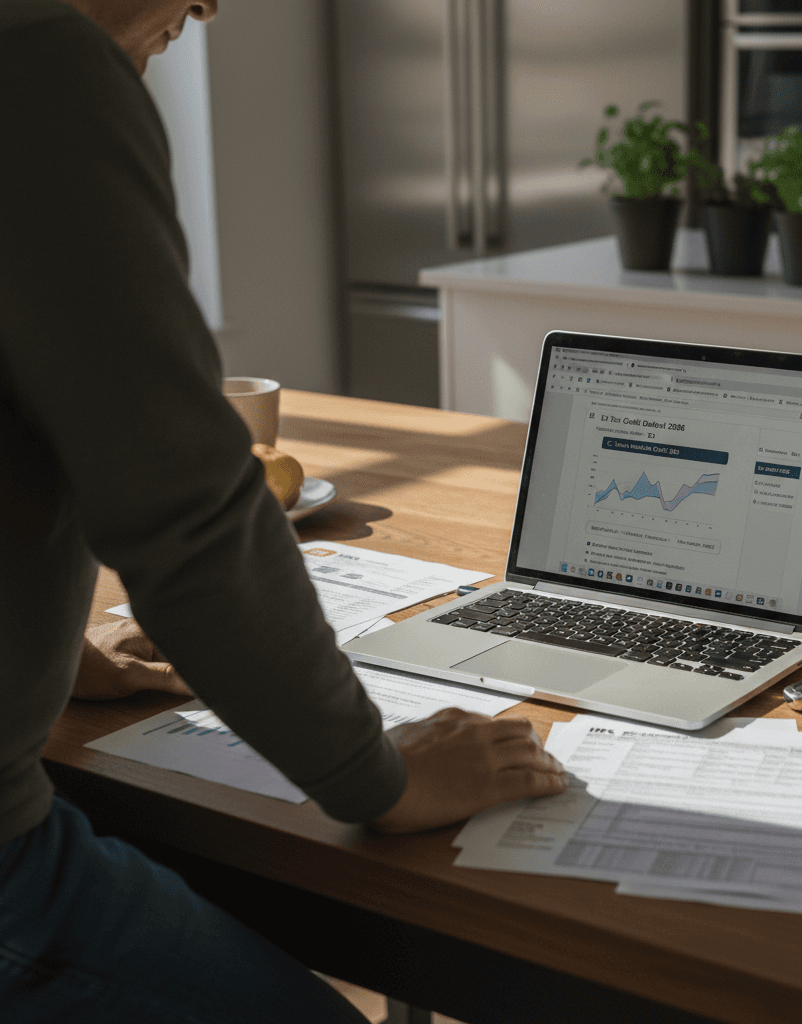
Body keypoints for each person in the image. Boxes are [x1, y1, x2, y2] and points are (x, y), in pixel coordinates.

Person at [0, 1, 565, 1020]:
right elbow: (187, 511)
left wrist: (58, 656)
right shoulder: (38, 63)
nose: (209, 5)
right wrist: (380, 777)